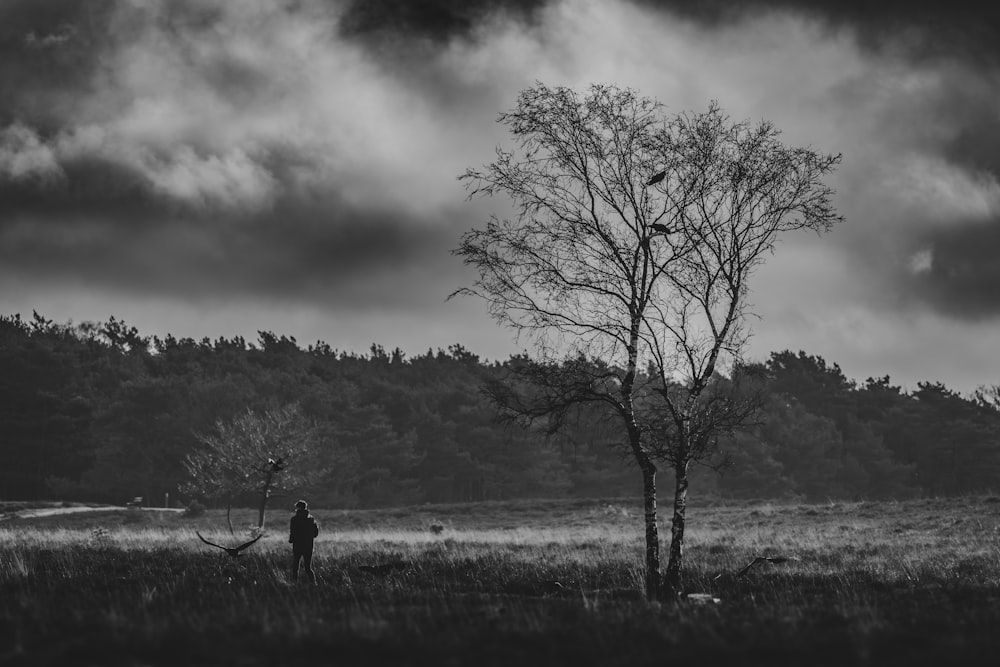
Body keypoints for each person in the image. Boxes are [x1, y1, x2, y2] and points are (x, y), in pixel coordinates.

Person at [288, 499, 319, 582]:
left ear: (297, 508)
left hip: (297, 546)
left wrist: (291, 540)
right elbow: (315, 534)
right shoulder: (311, 519)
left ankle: (294, 582)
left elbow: (293, 532)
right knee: (308, 567)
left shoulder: (294, 519)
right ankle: (314, 583)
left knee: (295, 566)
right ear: (305, 508)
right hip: (308, 546)